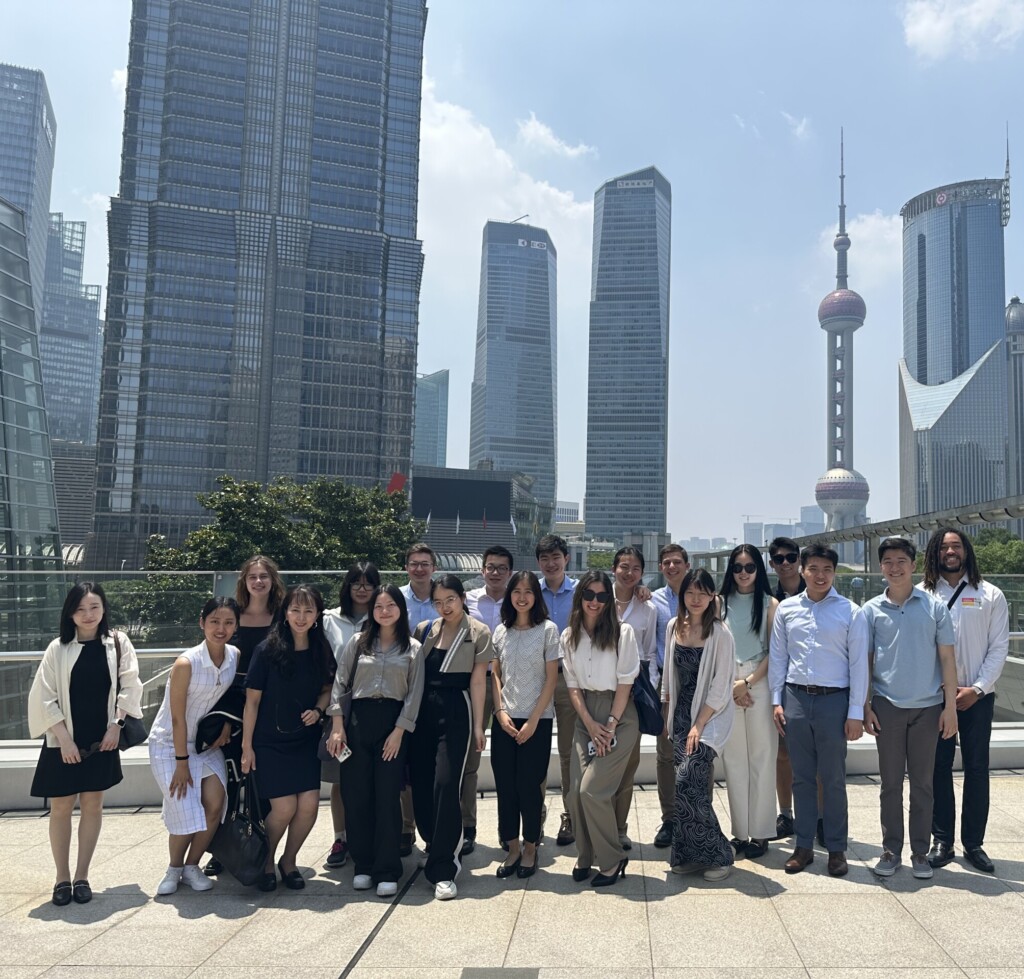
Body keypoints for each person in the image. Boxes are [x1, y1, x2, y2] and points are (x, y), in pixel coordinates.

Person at [28, 582, 144, 907]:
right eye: (80, 609)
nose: (88, 614)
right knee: (61, 807)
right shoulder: (57, 649)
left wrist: (116, 727)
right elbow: (45, 697)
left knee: (93, 804)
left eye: (94, 607)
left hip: (103, 739)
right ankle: (61, 878)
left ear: (104, 608)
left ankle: (82, 876)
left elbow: (130, 686)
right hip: (62, 741)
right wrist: (64, 741)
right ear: (70, 614)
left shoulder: (118, 643)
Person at [861, 537, 958, 880]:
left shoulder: (934, 607)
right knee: (889, 783)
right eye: (888, 561)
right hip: (887, 706)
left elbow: (947, 659)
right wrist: (866, 704)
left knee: (923, 783)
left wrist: (950, 708)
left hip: (928, 708)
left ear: (913, 565)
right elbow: (866, 662)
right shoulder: (870, 611)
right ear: (881, 567)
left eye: (901, 560)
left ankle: (919, 852)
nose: (895, 567)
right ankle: (891, 849)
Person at [769, 545, 868, 877]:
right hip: (796, 697)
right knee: (801, 777)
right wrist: (776, 700)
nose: (820, 575)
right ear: (802, 571)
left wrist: (856, 711)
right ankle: (804, 846)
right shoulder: (787, 610)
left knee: (834, 777)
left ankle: (837, 849)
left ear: (834, 572)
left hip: (834, 700)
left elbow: (858, 665)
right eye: (813, 568)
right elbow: (779, 658)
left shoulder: (851, 612)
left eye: (827, 569)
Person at [919, 528, 1010, 874]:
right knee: (937, 768)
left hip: (977, 697)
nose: (951, 551)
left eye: (956, 545)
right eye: (944, 547)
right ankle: (942, 840)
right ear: (935, 553)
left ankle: (974, 843)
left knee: (976, 769)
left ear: (967, 550)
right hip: (936, 698)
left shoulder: (990, 595)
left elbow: (999, 647)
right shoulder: (923, 594)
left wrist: (979, 689)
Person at [327, 585, 423, 897]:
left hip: (392, 724)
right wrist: (338, 726)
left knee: (386, 798)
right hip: (357, 723)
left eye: (390, 605)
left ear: (400, 609)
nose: (384, 611)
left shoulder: (412, 648)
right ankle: (364, 865)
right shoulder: (358, 643)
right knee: (356, 795)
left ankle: (387, 868)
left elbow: (414, 694)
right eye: (378, 606)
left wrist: (399, 732)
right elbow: (340, 684)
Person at [242, 585, 335, 891]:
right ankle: (265, 861)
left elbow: (328, 688)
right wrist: (247, 748)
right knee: (283, 808)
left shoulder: (321, 648)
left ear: (317, 615)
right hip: (269, 742)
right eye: (295, 609)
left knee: (308, 806)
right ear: (285, 612)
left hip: (304, 740)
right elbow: (252, 702)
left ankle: (289, 861)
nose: (301, 616)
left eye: (309, 611)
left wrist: (319, 711)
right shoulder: (267, 650)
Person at [150, 598, 241, 896]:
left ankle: (192, 865)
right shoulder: (186, 663)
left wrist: (227, 725)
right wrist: (181, 762)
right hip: (170, 744)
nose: (221, 628)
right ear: (202, 622)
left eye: (228, 622)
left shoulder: (234, 656)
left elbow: (230, 699)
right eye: (214, 621)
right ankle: (173, 868)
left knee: (215, 804)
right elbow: (177, 718)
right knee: (185, 809)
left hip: (204, 743)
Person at [203, 554, 286, 877]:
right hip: (231, 707)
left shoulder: (281, 616)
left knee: (261, 783)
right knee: (229, 783)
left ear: (273, 580)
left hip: (269, 709)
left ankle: (257, 845)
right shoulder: (231, 616)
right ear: (244, 581)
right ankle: (222, 848)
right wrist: (223, 719)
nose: (259, 582)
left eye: (264, 576)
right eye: (253, 577)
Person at [409, 575, 491, 900]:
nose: (445, 607)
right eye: (438, 602)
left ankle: (445, 866)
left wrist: (478, 728)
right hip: (422, 710)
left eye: (450, 600)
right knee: (421, 781)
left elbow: (479, 682)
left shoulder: (478, 632)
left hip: (457, 708)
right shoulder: (426, 630)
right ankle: (433, 841)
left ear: (462, 598)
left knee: (446, 783)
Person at [561, 570, 640, 888]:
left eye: (602, 596)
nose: (595, 602)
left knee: (592, 790)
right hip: (585, 717)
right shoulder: (569, 636)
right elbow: (572, 688)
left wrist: (608, 725)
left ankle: (611, 858)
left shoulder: (623, 633)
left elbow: (625, 683)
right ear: (580, 597)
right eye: (589, 595)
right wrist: (590, 724)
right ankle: (586, 854)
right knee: (574, 794)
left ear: (609, 600)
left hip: (619, 715)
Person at [663, 569, 736, 881]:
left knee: (687, 778)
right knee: (686, 788)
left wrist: (699, 725)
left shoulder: (721, 633)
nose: (696, 599)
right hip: (681, 714)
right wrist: (669, 715)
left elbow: (721, 686)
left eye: (702, 593)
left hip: (711, 716)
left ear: (712, 597)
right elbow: (669, 675)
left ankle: (719, 854)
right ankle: (688, 854)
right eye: (690, 593)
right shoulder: (673, 627)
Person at [491, 571, 560, 879]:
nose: (521, 596)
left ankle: (531, 846)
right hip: (505, 720)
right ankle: (512, 847)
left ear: (536, 596)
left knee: (529, 788)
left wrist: (533, 720)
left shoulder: (548, 630)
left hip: (537, 721)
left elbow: (551, 679)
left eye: (528, 591)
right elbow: (495, 675)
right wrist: (500, 711)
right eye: (516, 591)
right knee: (505, 788)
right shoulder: (500, 632)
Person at [719, 545, 779, 860]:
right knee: (734, 761)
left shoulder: (771, 605)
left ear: (759, 570)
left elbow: (775, 652)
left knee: (762, 756)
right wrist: (732, 686)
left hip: (759, 681)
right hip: (727, 685)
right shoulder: (718, 604)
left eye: (750, 567)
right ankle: (739, 832)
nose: (744, 573)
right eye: (738, 567)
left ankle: (761, 832)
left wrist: (749, 683)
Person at [321, 561, 381, 869]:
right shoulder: (330, 619)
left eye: (368, 583)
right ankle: (341, 837)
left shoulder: (385, 617)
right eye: (356, 582)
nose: (362, 589)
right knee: (341, 778)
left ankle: (376, 834)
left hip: (377, 706)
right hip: (340, 709)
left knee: (379, 776)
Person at [462, 545, 513, 853]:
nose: (495, 573)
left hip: (512, 684)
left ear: (510, 572)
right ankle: (468, 826)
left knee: (515, 759)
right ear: (482, 570)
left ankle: (515, 827)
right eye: (490, 567)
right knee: (470, 756)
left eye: (502, 568)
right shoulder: (467, 602)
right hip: (476, 683)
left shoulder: (521, 600)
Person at [609, 546, 658, 851]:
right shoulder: (598, 600)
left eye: (636, 568)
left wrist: (648, 691)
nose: (629, 573)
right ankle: (595, 824)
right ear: (613, 568)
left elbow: (650, 652)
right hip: (601, 686)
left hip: (635, 688)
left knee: (628, 762)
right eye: (624, 566)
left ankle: (620, 827)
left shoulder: (648, 608)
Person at [536, 534, 578, 847]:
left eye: (556, 557)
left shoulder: (580, 592)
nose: (551, 564)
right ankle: (533, 813)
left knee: (568, 752)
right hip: (534, 680)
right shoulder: (527, 591)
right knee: (534, 750)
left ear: (566, 558)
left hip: (568, 680)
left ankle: (570, 815)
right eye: (545, 559)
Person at [398, 542, 437, 854]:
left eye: (425, 563)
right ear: (406, 566)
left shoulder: (446, 597)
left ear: (433, 568)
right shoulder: (396, 599)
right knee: (405, 761)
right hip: (403, 687)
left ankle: (434, 825)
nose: (420, 568)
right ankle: (406, 826)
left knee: (430, 761)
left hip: (437, 689)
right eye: (414, 563)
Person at [649, 543, 689, 848]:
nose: (671, 567)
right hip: (666, 681)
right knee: (665, 753)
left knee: (697, 751)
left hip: (696, 680)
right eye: (666, 563)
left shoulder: (703, 596)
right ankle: (670, 818)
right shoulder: (654, 601)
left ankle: (694, 815)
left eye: (677, 562)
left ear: (686, 565)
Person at [768, 536, 805, 841]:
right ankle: (786, 814)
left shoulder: (821, 590)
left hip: (816, 685)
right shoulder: (767, 597)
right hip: (782, 685)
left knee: (817, 757)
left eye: (790, 557)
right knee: (782, 754)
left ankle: (818, 816)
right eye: (778, 559)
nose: (785, 563)